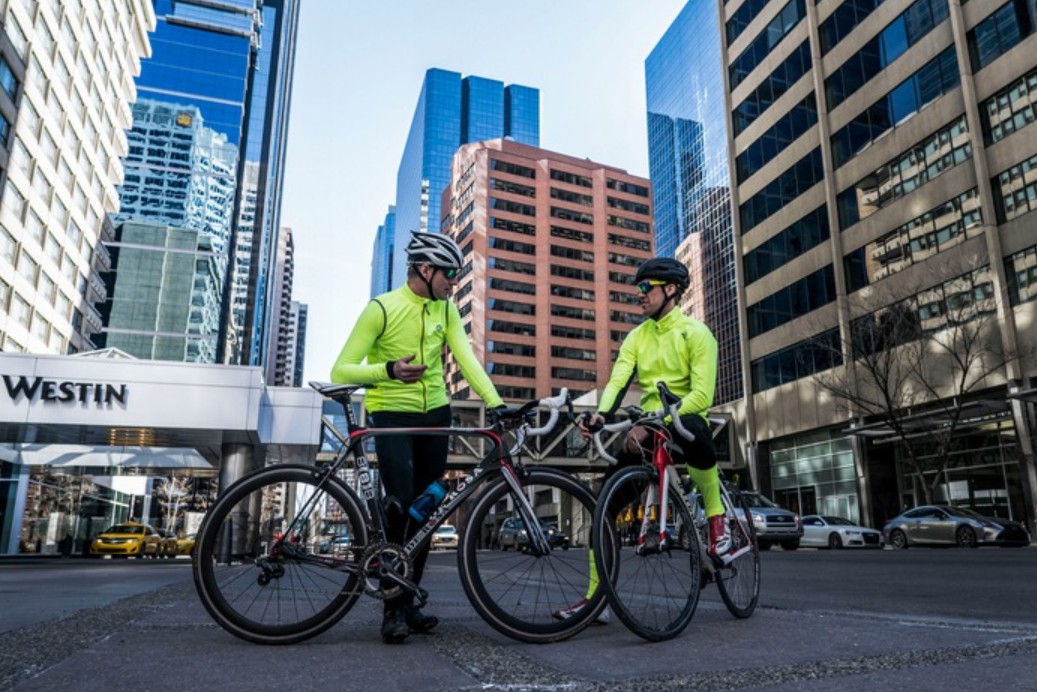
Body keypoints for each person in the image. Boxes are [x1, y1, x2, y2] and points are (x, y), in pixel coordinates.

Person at [331, 231, 505, 644]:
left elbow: (466, 358)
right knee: (400, 506)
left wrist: (496, 403)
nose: (454, 282)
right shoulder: (382, 309)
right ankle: (392, 611)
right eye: (449, 274)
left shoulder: (445, 311)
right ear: (426, 270)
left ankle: (407, 601)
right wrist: (387, 371)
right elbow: (342, 370)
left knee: (425, 512)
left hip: (435, 417)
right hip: (391, 415)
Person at [557, 257, 728, 620]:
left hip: (683, 420)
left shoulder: (697, 334)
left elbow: (702, 396)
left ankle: (717, 520)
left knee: (696, 427)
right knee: (603, 506)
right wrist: (601, 415)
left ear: (670, 290)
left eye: (645, 288)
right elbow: (618, 381)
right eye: (638, 288)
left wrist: (657, 420)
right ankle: (595, 600)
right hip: (649, 429)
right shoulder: (637, 337)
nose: (639, 294)